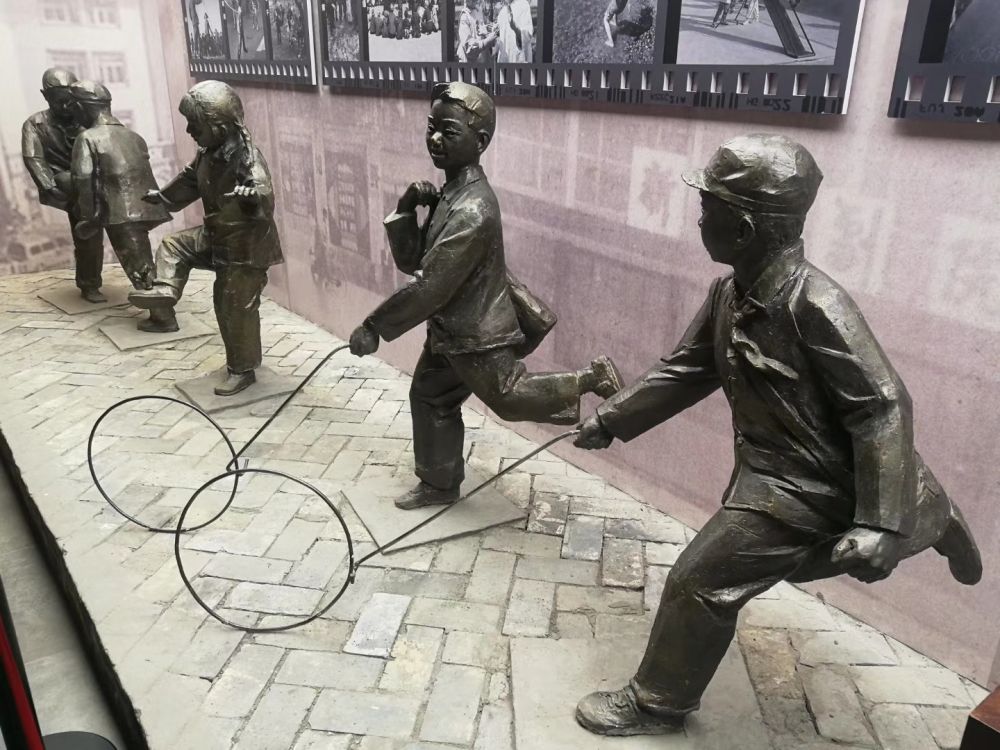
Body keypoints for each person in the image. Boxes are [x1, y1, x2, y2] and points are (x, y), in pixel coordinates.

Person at [572, 134, 983, 736]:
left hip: (810, 483)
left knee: (699, 580)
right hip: (767, 474)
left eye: (708, 207)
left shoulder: (815, 303)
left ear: (743, 229)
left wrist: (881, 525)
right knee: (787, 567)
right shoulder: (727, 293)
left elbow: (883, 405)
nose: (698, 218)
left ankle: (657, 703)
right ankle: (931, 512)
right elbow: (686, 369)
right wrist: (611, 419)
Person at [348, 83, 624, 510]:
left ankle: (590, 377)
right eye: (431, 127)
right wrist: (405, 208)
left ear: (480, 142)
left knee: (509, 397)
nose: (435, 139)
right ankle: (439, 483)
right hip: (450, 331)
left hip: (476, 333)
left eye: (449, 132)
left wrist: (374, 327)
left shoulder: (472, 209)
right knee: (430, 396)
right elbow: (415, 262)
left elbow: (430, 285)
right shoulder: (450, 195)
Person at [129, 81, 284, 397]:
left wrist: (253, 196)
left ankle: (242, 370)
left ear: (219, 127)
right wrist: (163, 197)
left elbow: (263, 190)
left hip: (245, 248)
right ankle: (166, 289)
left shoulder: (247, 156)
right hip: (217, 235)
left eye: (194, 125)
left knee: (232, 307)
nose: (189, 131)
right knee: (174, 245)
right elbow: (189, 181)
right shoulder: (206, 154)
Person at [68, 80, 170, 325]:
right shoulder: (134, 136)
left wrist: (88, 217)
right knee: (142, 259)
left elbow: (83, 179)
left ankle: (164, 318)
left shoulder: (87, 138)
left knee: (140, 266)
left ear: (81, 107)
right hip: (145, 207)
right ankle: (162, 311)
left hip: (119, 211)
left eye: (73, 107)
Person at [21, 68, 105, 303]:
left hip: (98, 183)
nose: (67, 107)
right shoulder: (35, 124)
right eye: (59, 101)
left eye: (70, 100)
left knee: (125, 230)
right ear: (45, 96)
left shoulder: (88, 118)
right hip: (65, 187)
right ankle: (90, 284)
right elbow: (34, 158)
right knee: (87, 234)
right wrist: (50, 187)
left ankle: (142, 279)